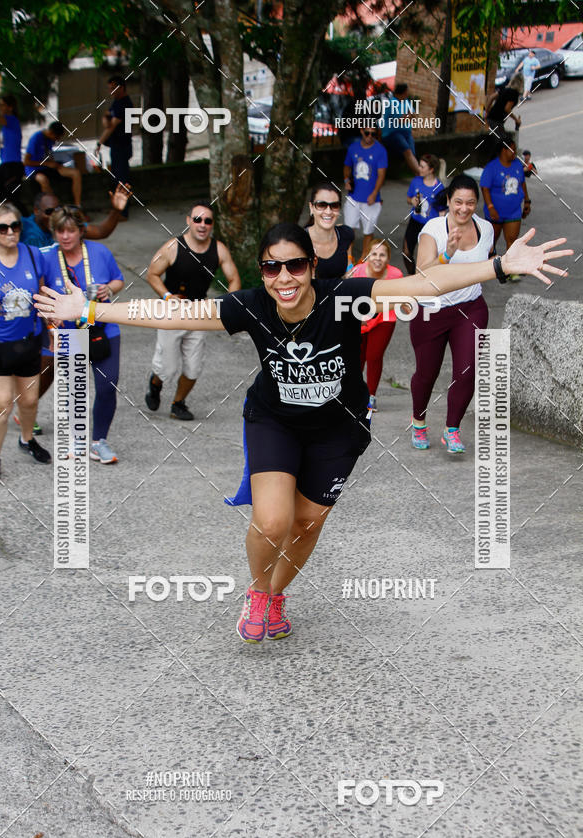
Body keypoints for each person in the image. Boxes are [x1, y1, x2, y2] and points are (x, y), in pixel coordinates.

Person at [35, 223, 571, 642]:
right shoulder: (250, 305)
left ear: (312, 266)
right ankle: (256, 593)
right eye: (272, 268)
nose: (284, 278)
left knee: (309, 521)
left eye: (295, 266)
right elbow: (174, 314)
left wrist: (499, 265)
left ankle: (274, 597)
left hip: (338, 428)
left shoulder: (346, 296)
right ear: (261, 271)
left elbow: (421, 284)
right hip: (275, 422)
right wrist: (90, 309)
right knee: (273, 521)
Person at [409, 174, 495, 454]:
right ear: (448, 201)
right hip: (431, 309)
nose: (464, 208)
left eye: (471, 202)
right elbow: (421, 272)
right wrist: (447, 254)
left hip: (470, 308)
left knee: (467, 370)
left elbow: (485, 264)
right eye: (458, 201)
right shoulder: (432, 229)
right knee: (426, 373)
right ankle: (419, 421)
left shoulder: (486, 229)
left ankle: (452, 429)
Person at [41, 206, 124, 463]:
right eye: (59, 231)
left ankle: (99, 442)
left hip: (103, 328)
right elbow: (41, 292)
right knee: (73, 391)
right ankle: (77, 442)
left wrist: (107, 289)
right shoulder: (46, 258)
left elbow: (119, 280)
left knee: (108, 384)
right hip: (69, 332)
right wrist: (50, 326)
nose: (65, 236)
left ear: (81, 231)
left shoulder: (99, 252)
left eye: (71, 230)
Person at [145, 201, 241, 420]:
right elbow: (152, 273)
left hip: (199, 312)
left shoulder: (218, 249)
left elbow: (234, 278)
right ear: (188, 221)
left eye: (207, 220)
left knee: (193, 367)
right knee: (167, 369)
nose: (202, 224)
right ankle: (155, 382)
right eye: (197, 219)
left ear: (212, 225)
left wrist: (225, 303)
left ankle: (178, 404)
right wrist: (167, 297)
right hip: (171, 312)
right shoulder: (173, 246)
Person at [0, 203, 51, 480]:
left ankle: (26, 440)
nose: (11, 232)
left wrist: (52, 326)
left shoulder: (34, 256)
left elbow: (44, 291)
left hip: (29, 341)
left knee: (30, 400)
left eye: (15, 226)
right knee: (1, 403)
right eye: (3, 228)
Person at [350, 239, 403, 411]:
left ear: (387, 258)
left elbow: (404, 296)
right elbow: (346, 297)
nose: (377, 258)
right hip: (360, 317)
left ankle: (371, 396)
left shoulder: (396, 275)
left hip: (384, 317)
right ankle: (355, 393)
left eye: (382, 255)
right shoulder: (357, 272)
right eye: (374, 254)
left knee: (374, 355)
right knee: (358, 357)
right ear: (367, 257)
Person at [21, 183, 132, 249]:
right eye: (49, 211)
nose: (54, 215)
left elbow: (101, 232)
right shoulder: (22, 227)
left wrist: (116, 210)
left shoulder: (64, 221)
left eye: (57, 210)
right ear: (36, 211)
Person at [480, 139, 530, 271]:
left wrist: (527, 201)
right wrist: (490, 207)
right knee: (491, 241)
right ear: (504, 150)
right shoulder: (491, 167)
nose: (515, 152)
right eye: (512, 149)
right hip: (495, 212)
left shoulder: (517, 165)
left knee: (512, 240)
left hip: (513, 211)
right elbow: (484, 188)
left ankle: (512, 269)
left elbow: (522, 183)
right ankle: (487, 267)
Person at [343, 127, 387, 260]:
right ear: (361, 131)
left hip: (371, 200)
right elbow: (346, 166)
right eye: (367, 133)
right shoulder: (353, 148)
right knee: (349, 230)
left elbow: (381, 175)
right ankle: (349, 257)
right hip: (354, 196)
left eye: (373, 134)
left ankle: (363, 259)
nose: (370, 136)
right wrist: (346, 180)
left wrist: (374, 193)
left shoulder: (380, 151)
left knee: (368, 231)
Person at [0, 95, 26, 214]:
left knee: (11, 197)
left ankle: (24, 219)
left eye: (2, 105)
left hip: (12, 165)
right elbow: (6, 142)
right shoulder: (7, 125)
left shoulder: (11, 119)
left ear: (10, 107)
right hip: (7, 164)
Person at [24, 121, 82, 208]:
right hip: (33, 169)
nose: (57, 140)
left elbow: (49, 156)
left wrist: (54, 164)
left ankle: (78, 206)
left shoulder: (50, 140)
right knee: (43, 180)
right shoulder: (36, 138)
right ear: (51, 133)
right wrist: (47, 164)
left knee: (75, 173)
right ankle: (52, 209)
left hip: (46, 167)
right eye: (57, 137)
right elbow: (26, 162)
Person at [403, 154, 444, 275]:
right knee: (406, 252)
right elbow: (408, 198)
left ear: (431, 169)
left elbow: (442, 210)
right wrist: (412, 201)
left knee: (427, 256)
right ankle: (412, 276)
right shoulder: (416, 181)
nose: (419, 168)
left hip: (430, 225)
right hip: (415, 221)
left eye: (422, 166)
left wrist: (442, 229)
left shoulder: (439, 188)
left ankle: (424, 278)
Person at [96, 75, 134, 204]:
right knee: (116, 177)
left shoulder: (124, 104)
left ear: (121, 88)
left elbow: (111, 127)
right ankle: (118, 208)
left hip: (122, 145)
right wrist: (105, 118)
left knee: (122, 179)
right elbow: (107, 122)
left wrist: (99, 142)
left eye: (113, 88)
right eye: (109, 88)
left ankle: (123, 210)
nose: (111, 91)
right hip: (116, 146)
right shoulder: (116, 103)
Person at [305, 182, 354, 279]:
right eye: (321, 205)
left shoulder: (346, 234)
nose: (328, 211)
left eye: (334, 205)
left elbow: (349, 265)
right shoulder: (299, 241)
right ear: (311, 207)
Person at [378, 83, 420, 176]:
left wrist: (409, 116)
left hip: (406, 132)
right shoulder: (392, 103)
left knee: (412, 153)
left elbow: (412, 115)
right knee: (407, 151)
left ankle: (418, 176)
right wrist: (408, 116)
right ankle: (421, 175)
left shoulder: (406, 101)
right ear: (404, 92)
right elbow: (400, 121)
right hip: (392, 133)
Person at [485, 73, 523, 139]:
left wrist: (487, 111)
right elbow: (507, 109)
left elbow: (491, 97)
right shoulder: (514, 93)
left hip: (491, 117)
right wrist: (516, 119)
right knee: (501, 142)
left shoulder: (505, 89)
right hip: (497, 120)